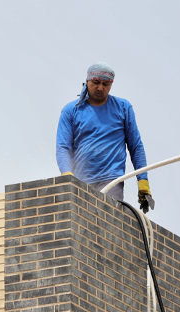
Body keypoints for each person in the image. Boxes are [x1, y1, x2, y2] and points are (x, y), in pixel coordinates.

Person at [56, 63, 155, 212]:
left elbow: (135, 146)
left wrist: (143, 181)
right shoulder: (71, 110)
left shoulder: (122, 108)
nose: (100, 88)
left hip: (111, 179)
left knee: (106, 221)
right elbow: (63, 147)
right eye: (96, 83)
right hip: (80, 180)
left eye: (105, 84)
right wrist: (66, 175)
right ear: (87, 81)